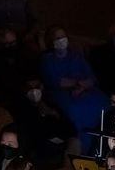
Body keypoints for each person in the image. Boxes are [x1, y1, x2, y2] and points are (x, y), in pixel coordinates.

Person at [41, 26, 108, 154]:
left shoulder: (76, 56)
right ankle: (86, 150)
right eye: (57, 38)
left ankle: (106, 145)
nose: (61, 40)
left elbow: (91, 76)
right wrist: (77, 83)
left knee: (103, 103)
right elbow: (55, 81)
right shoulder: (47, 59)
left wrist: (82, 86)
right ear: (51, 41)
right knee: (76, 110)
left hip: (86, 91)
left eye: (63, 37)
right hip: (62, 94)